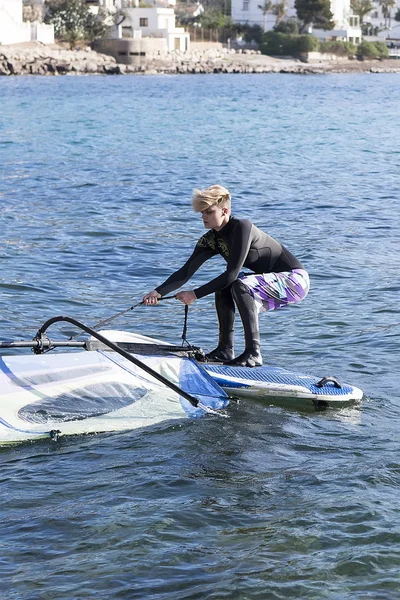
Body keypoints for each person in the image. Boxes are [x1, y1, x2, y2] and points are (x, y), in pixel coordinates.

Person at [143, 185, 310, 368]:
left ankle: (253, 353)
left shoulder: (241, 227)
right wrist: (157, 292)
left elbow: (232, 274)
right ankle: (224, 350)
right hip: (269, 280)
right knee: (224, 287)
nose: (203, 216)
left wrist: (195, 294)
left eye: (208, 212)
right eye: (202, 212)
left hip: (294, 280)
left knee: (238, 284)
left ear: (225, 211)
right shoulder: (210, 240)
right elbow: (185, 272)